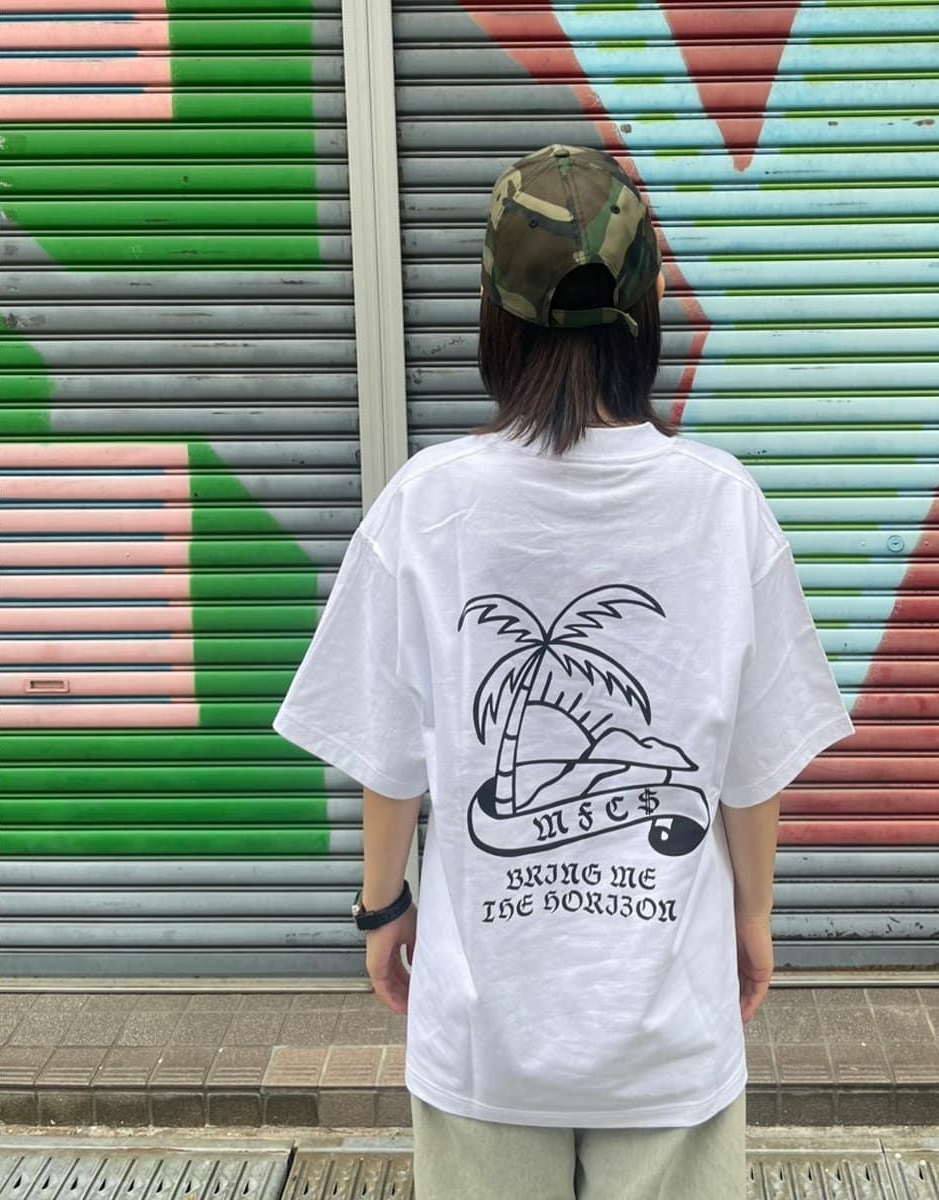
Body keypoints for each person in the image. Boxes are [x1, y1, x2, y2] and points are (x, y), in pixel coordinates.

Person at [272, 144, 855, 1200]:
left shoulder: (426, 502)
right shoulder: (724, 503)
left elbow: (390, 758)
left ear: (494, 318)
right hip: (670, 1031)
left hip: (485, 1031)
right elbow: (750, 769)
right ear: (647, 313)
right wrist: (752, 920)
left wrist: (382, 911)